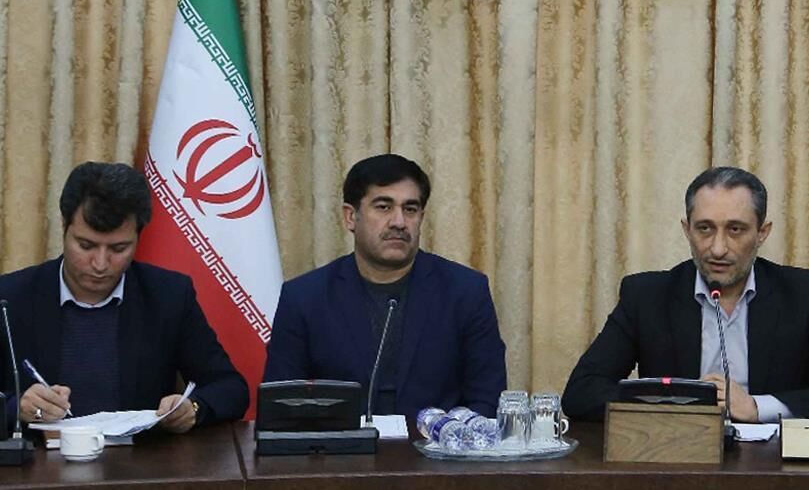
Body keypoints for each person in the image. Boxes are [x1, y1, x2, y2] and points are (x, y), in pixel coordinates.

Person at [562, 166, 809, 423]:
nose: (718, 249)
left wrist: (757, 407)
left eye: (735, 230)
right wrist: (678, 402)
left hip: (773, 462)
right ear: (687, 230)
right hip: (678, 458)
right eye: (705, 229)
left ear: (762, 233)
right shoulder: (647, 296)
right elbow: (581, 392)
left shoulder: (802, 293)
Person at [0, 162, 248, 431]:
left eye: (118, 248)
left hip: (139, 457)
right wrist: (16, 407)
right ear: (64, 226)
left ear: (139, 236)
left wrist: (193, 408)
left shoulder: (168, 296)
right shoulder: (10, 298)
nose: (100, 264)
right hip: (42, 457)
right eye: (86, 245)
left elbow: (230, 388)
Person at [264, 153, 507, 418]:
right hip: (341, 443)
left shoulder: (465, 291)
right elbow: (281, 405)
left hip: (436, 442)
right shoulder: (304, 297)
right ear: (350, 217)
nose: (399, 222)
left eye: (410, 209)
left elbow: (487, 400)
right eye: (383, 207)